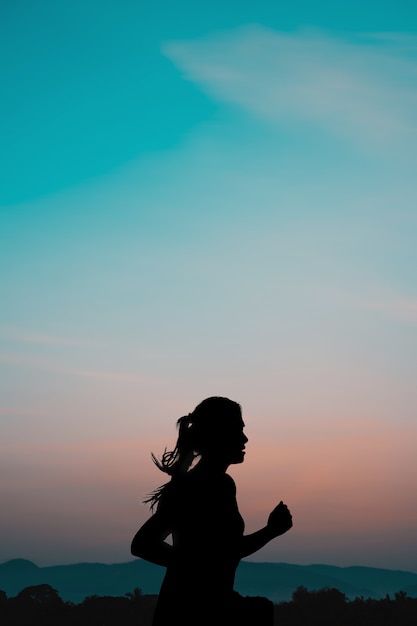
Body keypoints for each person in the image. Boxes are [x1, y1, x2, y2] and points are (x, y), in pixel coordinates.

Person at [131, 397, 293, 625]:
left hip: (201, 604)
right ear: (219, 435)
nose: (245, 439)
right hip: (191, 610)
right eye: (238, 430)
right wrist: (270, 531)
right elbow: (143, 545)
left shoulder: (219, 484)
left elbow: (224, 552)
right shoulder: (197, 487)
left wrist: (271, 531)